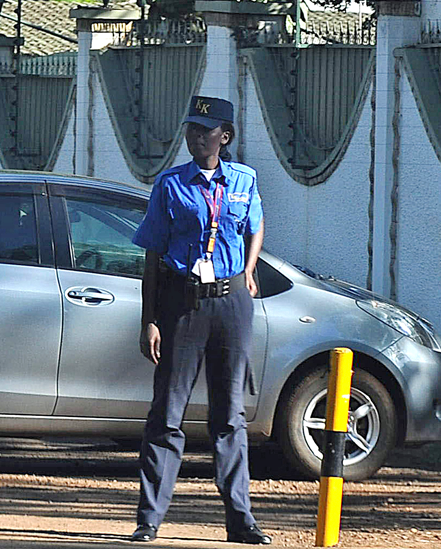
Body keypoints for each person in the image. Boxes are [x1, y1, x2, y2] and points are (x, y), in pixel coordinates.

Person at [129, 96, 270, 545]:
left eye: (204, 130)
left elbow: (256, 226)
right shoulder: (170, 185)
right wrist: (150, 318)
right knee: (167, 413)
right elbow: (152, 255)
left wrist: (249, 269)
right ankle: (149, 519)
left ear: (223, 137)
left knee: (229, 415)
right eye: (191, 128)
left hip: (230, 303)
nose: (195, 136)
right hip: (182, 303)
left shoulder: (244, 180)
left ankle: (241, 520)